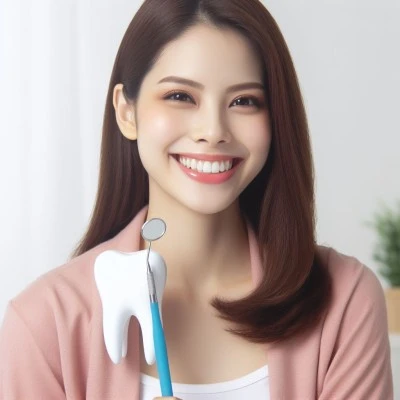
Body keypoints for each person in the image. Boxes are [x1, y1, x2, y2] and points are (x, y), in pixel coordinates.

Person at [0, 0, 394, 399]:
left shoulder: (344, 299)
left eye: (244, 101)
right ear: (127, 112)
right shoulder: (43, 322)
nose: (213, 130)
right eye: (180, 96)